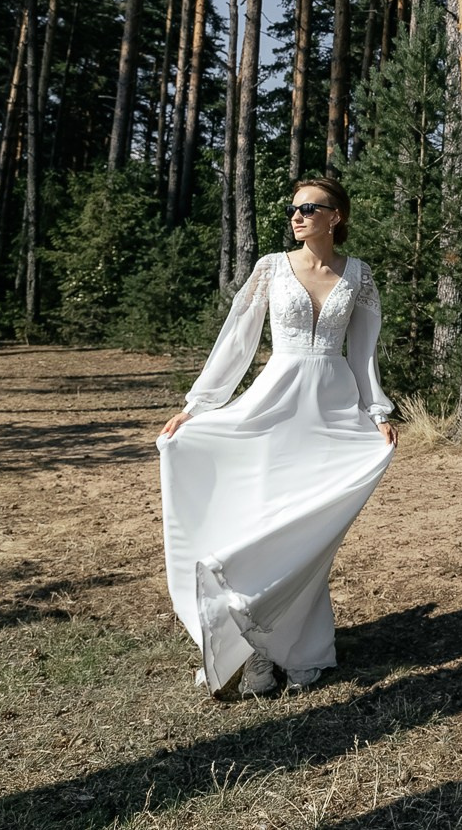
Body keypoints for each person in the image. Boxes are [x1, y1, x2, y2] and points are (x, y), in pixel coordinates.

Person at [156, 177, 398, 699]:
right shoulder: (271, 267)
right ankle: (254, 649)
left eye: (309, 208)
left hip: (332, 414)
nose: (297, 215)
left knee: (310, 533)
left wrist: (377, 411)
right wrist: (198, 406)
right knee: (268, 523)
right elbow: (236, 340)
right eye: (294, 208)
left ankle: (302, 649)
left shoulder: (359, 274)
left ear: (336, 216)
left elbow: (364, 353)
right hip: (274, 408)